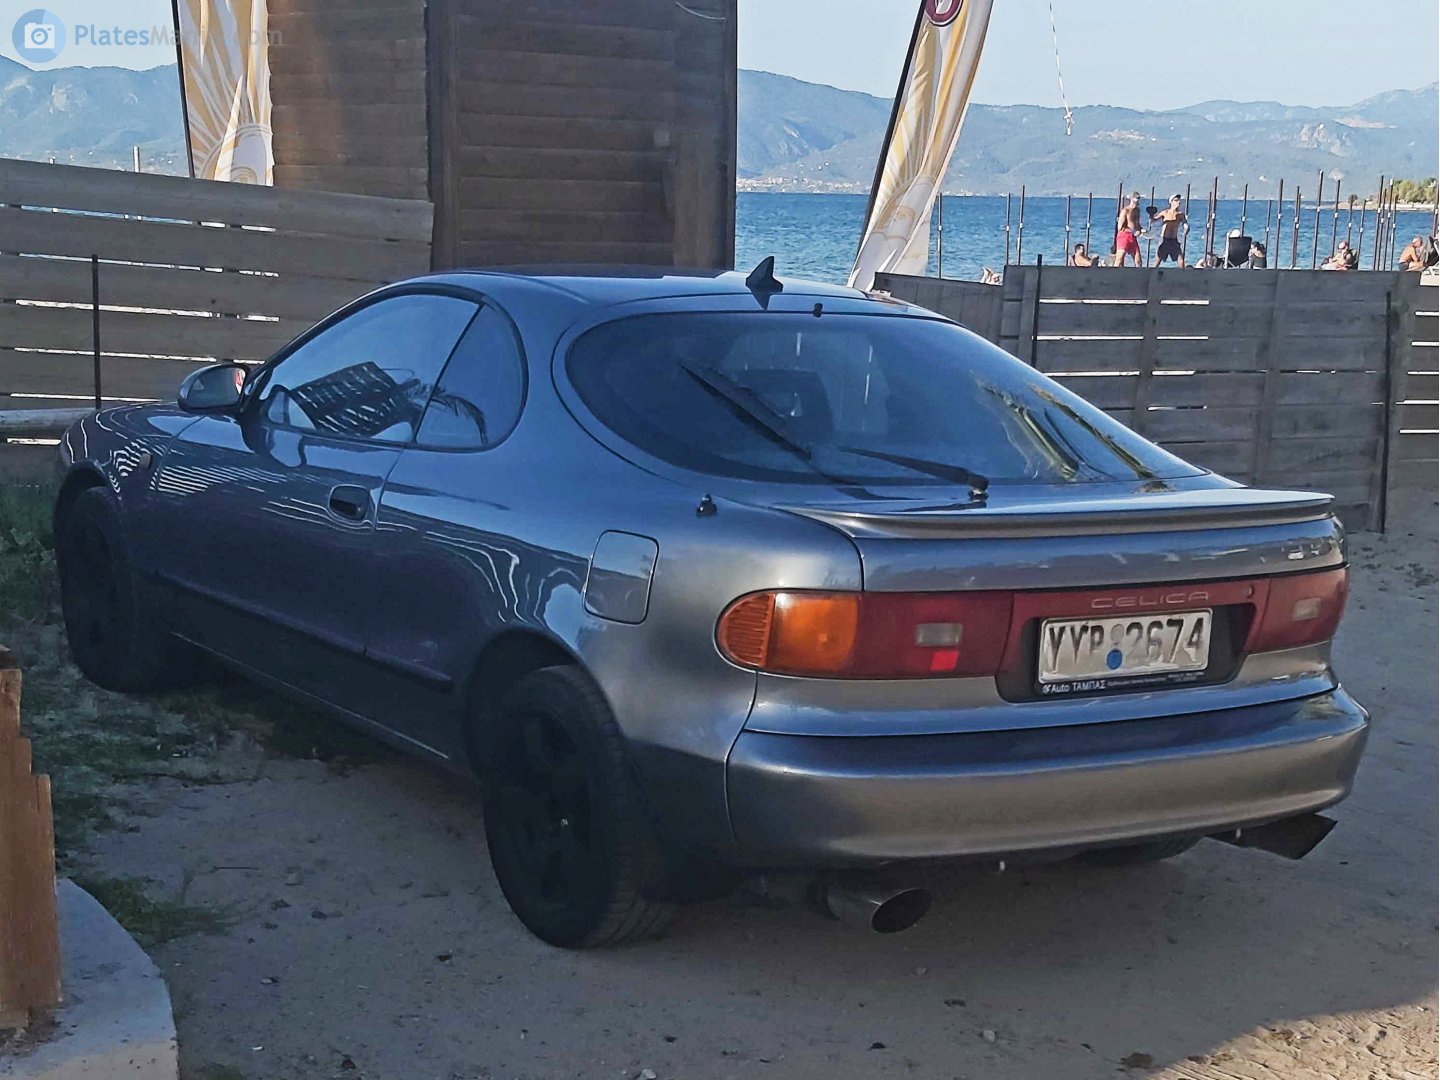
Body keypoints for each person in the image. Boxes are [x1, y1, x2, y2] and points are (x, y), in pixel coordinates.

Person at [1148, 193, 1187, 267]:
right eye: (1176, 200)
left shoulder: (1180, 214)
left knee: (1181, 261)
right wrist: (1151, 215)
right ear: (1171, 202)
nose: (1178, 202)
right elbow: (1153, 220)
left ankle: (1182, 276)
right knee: (1157, 260)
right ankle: (1150, 276)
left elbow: (1185, 223)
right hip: (1164, 240)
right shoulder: (1165, 212)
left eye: (1179, 200)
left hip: (1174, 240)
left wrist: (1186, 228)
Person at [1113, 191, 1143, 267]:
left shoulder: (1137, 211)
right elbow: (1120, 227)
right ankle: (1113, 274)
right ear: (1132, 199)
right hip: (1124, 236)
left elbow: (1137, 224)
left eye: (1139, 198)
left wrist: (1140, 230)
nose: (1138, 200)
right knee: (1119, 259)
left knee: (1138, 261)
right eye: (1137, 198)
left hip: (1132, 237)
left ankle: (1138, 277)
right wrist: (1130, 230)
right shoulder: (1125, 211)